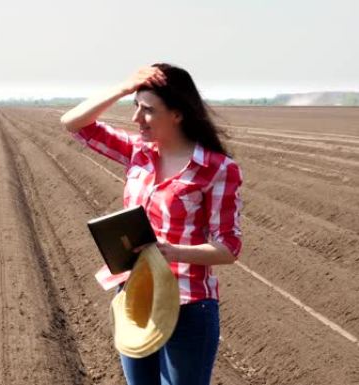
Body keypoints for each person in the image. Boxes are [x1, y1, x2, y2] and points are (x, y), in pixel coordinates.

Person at [61, 64, 243, 385]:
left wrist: (169, 251)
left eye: (148, 110)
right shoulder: (139, 153)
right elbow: (74, 123)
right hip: (136, 295)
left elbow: (227, 248)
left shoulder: (216, 169)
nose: (136, 118)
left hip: (188, 304)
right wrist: (123, 87)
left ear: (177, 114)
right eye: (135, 107)